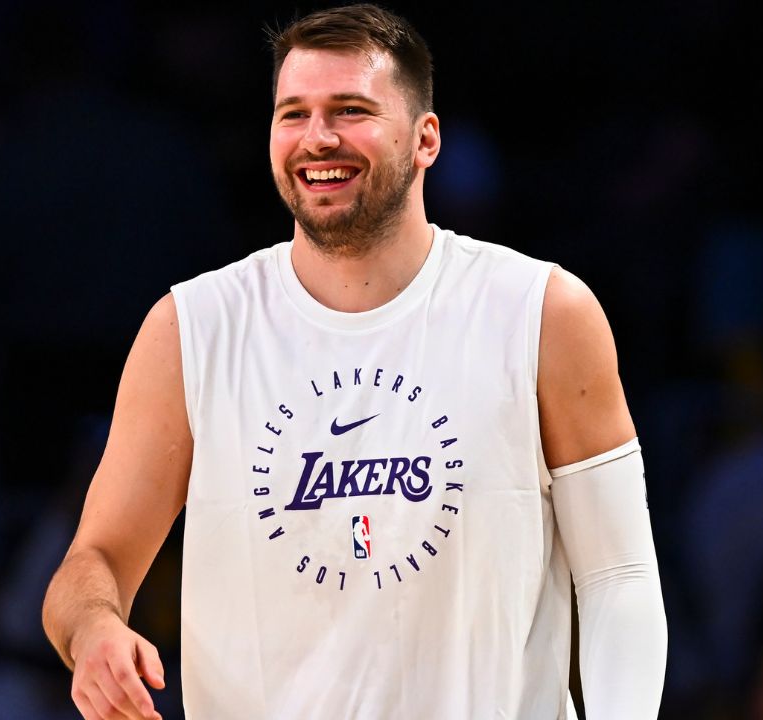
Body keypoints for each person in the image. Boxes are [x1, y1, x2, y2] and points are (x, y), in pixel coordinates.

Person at [42, 5, 667, 718]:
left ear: (425, 138)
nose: (319, 138)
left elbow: (618, 574)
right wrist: (93, 627)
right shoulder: (192, 329)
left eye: (351, 109)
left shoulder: (543, 312)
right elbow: (91, 565)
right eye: (294, 114)